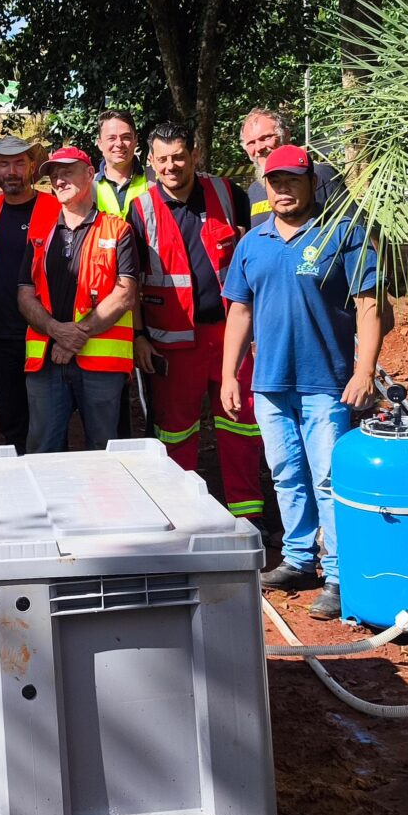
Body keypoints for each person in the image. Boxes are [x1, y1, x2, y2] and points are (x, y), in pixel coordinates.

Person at [221, 145, 385, 620]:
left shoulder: (343, 235)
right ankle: (297, 559)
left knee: (329, 480)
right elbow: (240, 310)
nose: (283, 189)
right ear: (265, 186)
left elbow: (369, 306)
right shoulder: (254, 242)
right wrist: (230, 374)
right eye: (275, 182)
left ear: (312, 182)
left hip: (326, 383)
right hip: (270, 384)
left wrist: (364, 370)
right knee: (286, 475)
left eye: (292, 180)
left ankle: (337, 575)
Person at [129, 121, 265, 521]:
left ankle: (249, 518)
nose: (172, 166)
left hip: (231, 336)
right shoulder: (140, 209)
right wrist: (138, 335)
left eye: (179, 157)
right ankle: (182, 518)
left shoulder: (228, 194)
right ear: (151, 162)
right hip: (171, 342)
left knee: (242, 425)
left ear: (195, 155)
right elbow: (131, 279)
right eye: (163, 159)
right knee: (175, 434)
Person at [17, 147, 139, 452]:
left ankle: (101, 504)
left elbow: (125, 294)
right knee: (42, 448)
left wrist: (75, 335)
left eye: (66, 171)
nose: (58, 180)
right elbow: (24, 293)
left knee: (103, 451)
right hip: (46, 361)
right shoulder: (40, 233)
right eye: (53, 175)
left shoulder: (118, 230)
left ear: (89, 174)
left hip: (101, 365)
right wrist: (57, 331)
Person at [0, 135, 59, 453]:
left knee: (47, 419)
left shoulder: (55, 209)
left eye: (19, 163)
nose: (11, 171)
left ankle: (49, 483)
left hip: (43, 331)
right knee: (11, 417)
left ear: (32, 168)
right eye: (4, 163)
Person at [239, 108, 346, 228]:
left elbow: (358, 231)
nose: (259, 148)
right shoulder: (253, 191)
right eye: (251, 143)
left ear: (286, 135)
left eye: (266, 138)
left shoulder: (320, 176)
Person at [92, 109, 152, 217]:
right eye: (111, 138)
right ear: (100, 144)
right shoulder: (88, 187)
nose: (119, 144)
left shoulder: (155, 180)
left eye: (126, 137)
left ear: (135, 140)